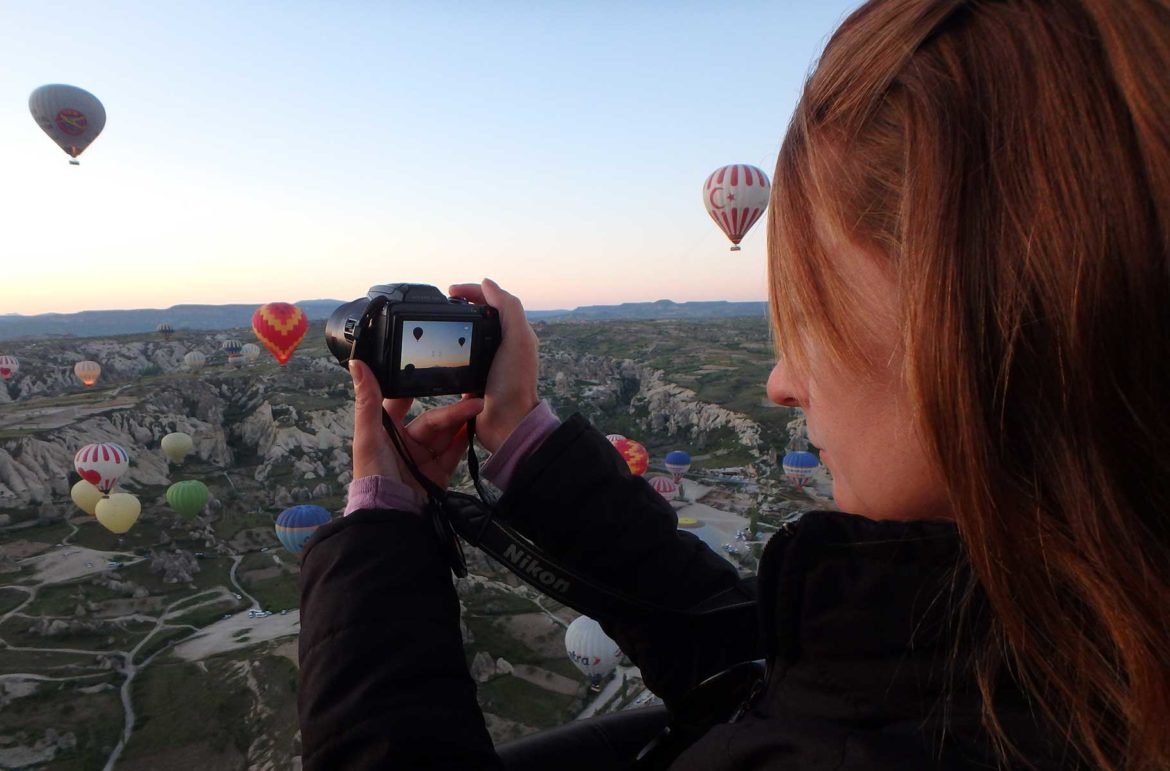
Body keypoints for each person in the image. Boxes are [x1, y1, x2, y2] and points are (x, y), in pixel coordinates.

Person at [297, 1, 1170, 768]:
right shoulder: (1031, 650)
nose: (781, 380)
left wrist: (378, 519)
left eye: (815, 313)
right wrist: (523, 435)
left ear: (988, 332)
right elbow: (744, 655)